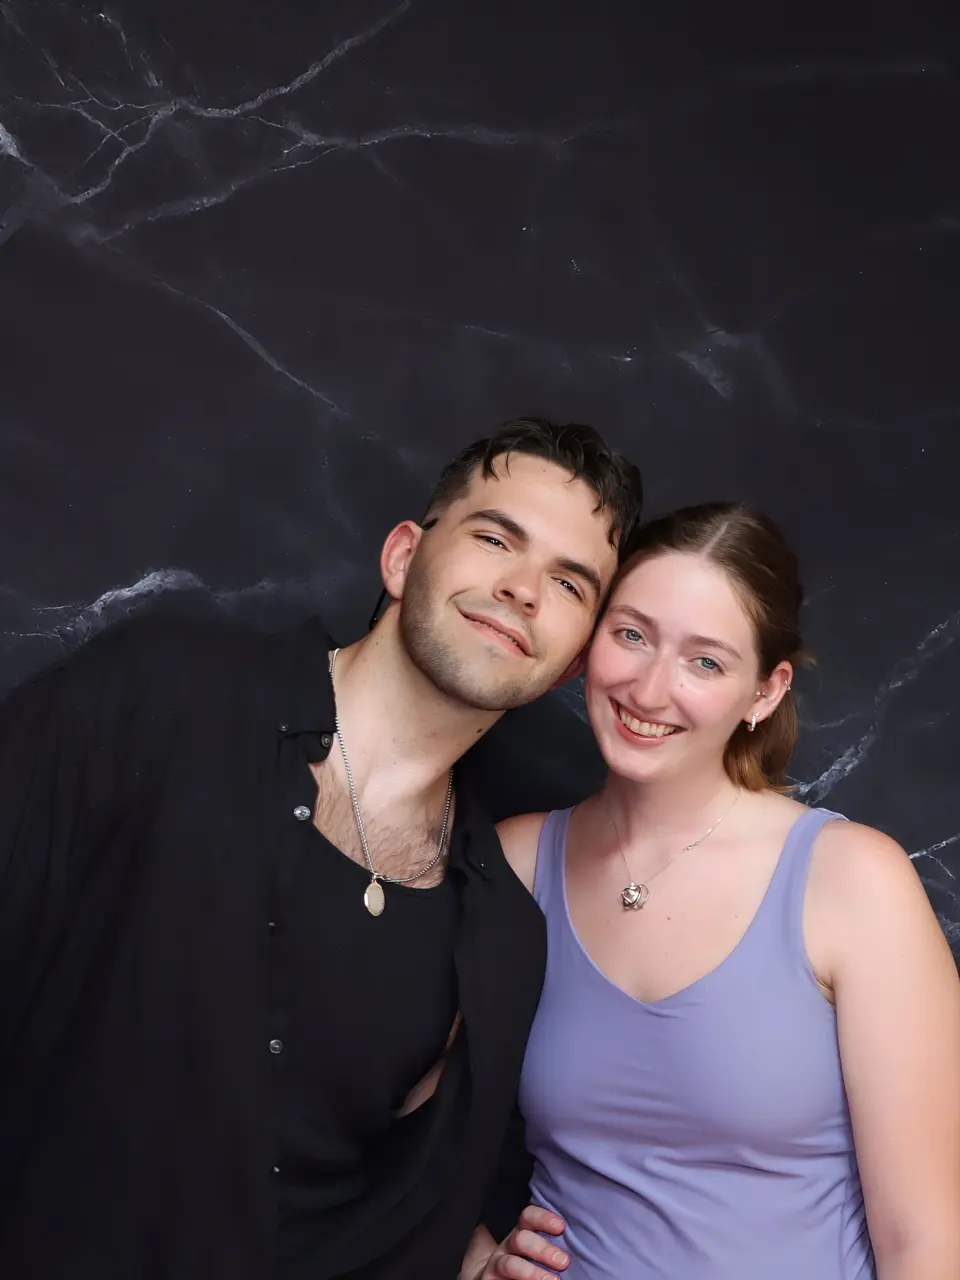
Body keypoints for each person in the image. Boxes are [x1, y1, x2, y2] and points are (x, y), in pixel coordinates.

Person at [0, 416, 645, 1280]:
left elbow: (391, 1214)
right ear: (404, 556)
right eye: (496, 538)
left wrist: (475, 1263)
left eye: (570, 586)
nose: (525, 590)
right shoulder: (165, 692)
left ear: (571, 664)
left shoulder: (496, 935)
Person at [479, 502, 960, 1280]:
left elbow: (926, 1246)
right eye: (631, 634)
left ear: (765, 693)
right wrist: (473, 1258)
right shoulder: (516, 860)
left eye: (705, 662)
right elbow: (380, 1115)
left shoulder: (853, 881)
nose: (649, 687)